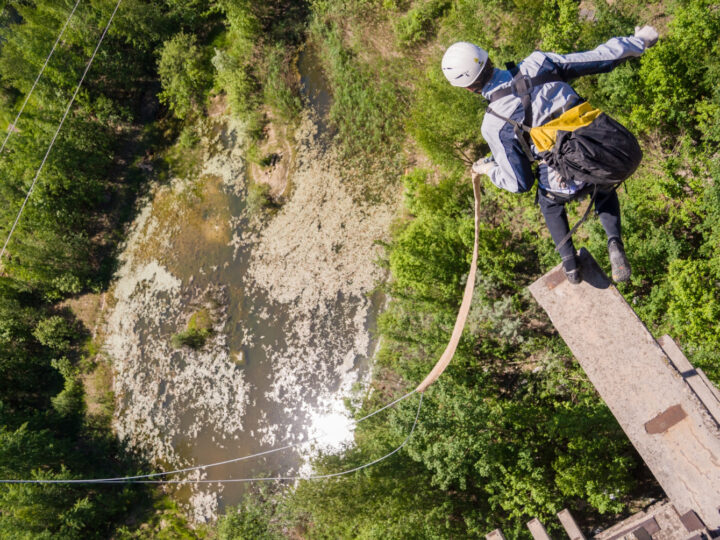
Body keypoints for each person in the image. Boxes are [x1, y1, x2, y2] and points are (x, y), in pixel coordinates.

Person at [441, 26, 659, 284]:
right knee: (603, 187)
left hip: (565, 175)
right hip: (604, 146)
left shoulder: (494, 124)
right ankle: (614, 240)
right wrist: (640, 41)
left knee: (549, 202)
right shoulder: (539, 63)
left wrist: (490, 170)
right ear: (488, 59)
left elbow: (519, 182)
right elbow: (602, 58)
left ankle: (571, 266)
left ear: (467, 89)